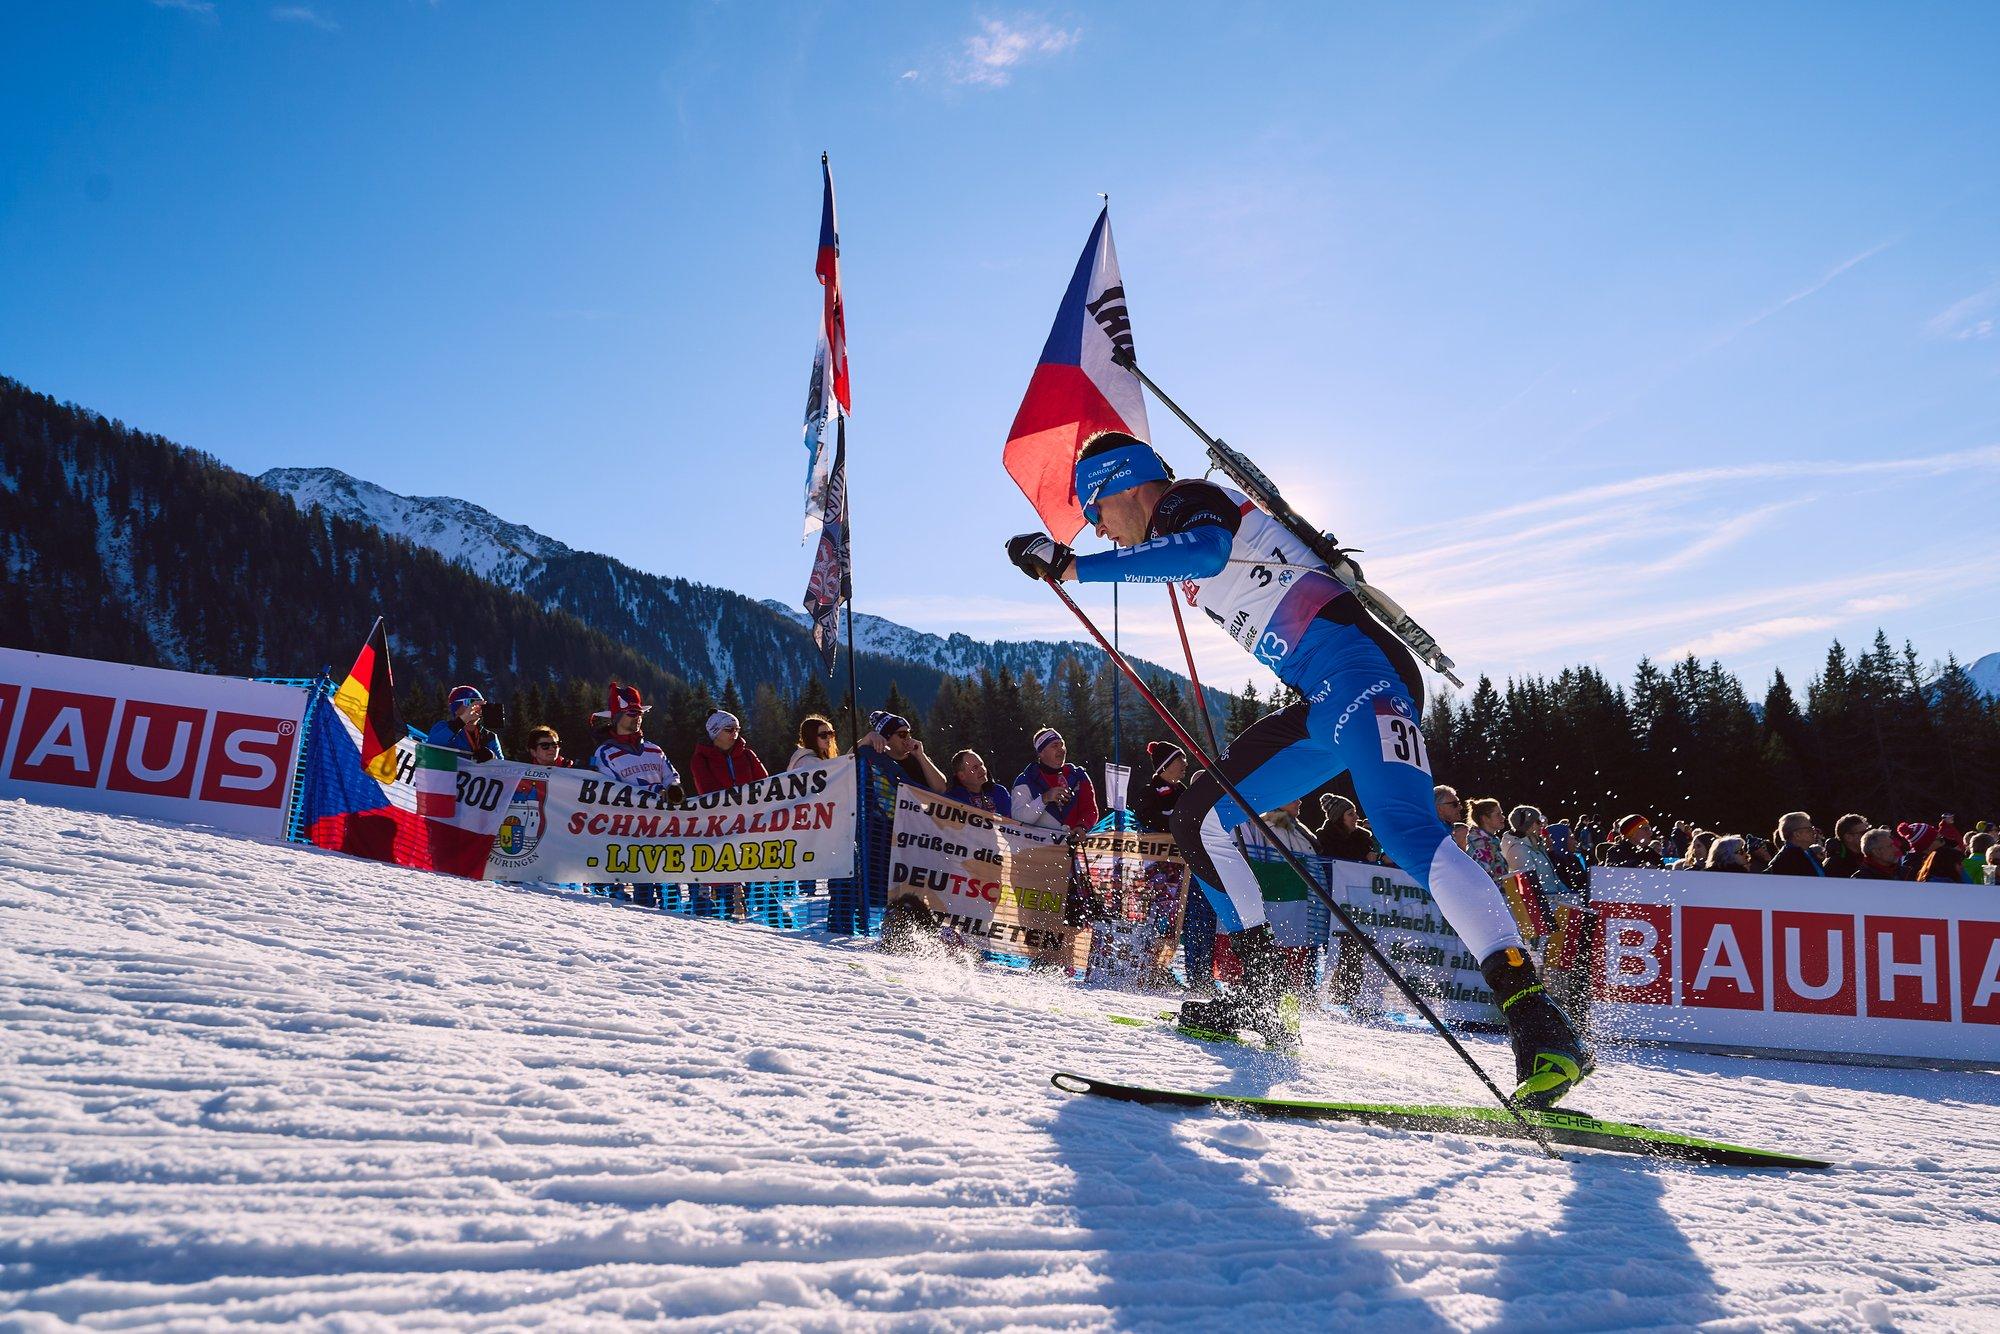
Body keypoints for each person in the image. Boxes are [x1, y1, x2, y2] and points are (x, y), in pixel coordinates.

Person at [1005, 431, 1588, 1103]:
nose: (1100, 529)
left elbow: (1205, 549)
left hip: (1364, 677)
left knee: (1407, 837)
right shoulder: (1174, 527)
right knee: (1201, 817)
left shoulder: (1187, 504)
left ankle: (1538, 1020)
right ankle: (1259, 994)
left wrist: (1075, 568)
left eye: (1097, 511)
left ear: (1125, 485)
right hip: (1324, 700)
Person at [590, 683, 682, 799]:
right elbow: (612, 790)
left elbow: (671, 777)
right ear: (617, 717)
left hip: (662, 816)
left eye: (640, 713)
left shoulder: (654, 750)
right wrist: (654, 790)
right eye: (632, 713)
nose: (637, 717)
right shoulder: (605, 753)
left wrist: (672, 788)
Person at [1012, 727, 1100, 832]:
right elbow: (1018, 819)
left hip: (1075, 844)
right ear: (1041, 752)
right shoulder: (1025, 780)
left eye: (1062, 744)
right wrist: (1044, 799)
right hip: (1039, 846)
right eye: (1055, 746)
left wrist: (1082, 826)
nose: (1061, 750)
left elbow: (1090, 810)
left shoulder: (1078, 775)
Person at [858, 711, 948, 793]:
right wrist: (868, 738)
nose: (908, 738)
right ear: (887, 738)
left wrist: (921, 756)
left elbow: (940, 789)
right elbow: (847, 762)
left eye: (909, 733)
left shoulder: (918, 758)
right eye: (902, 734)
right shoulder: (876, 758)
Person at [689, 710, 770, 794]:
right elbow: (708, 793)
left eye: (737, 729)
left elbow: (766, 784)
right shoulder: (701, 759)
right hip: (725, 807)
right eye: (729, 729)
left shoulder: (748, 754)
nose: (734, 733)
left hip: (754, 806)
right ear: (715, 731)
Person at [425, 684, 503, 761]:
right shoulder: (443, 727)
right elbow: (432, 745)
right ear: (456, 708)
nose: (477, 707)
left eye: (480, 703)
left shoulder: (490, 737)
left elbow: (503, 768)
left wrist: (493, 757)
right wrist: (462, 720)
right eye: (471, 702)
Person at [1131, 742, 1187, 834]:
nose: (1185, 763)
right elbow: (1148, 821)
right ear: (1166, 766)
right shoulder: (1149, 793)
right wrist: (1179, 823)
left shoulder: (1183, 791)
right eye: (1180, 759)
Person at [1312, 794, 1379, 863]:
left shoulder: (1361, 836)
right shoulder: (1326, 840)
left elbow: (1376, 851)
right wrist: (1365, 858)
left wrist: (1378, 855)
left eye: (1355, 812)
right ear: (1339, 819)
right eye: (1351, 814)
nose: (1357, 817)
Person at [942, 749, 1012, 815]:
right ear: (962, 776)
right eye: (975, 768)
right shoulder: (953, 800)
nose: (982, 770)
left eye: (982, 764)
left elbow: (1013, 821)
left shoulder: (999, 792)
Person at [1464, 797, 1509, 887]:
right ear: (1485, 818)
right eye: (1498, 814)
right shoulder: (1480, 845)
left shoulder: (1491, 841)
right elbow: (1486, 880)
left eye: (1502, 814)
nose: (1503, 817)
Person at [1765, 811, 1825, 877]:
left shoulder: (1808, 852)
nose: (1814, 832)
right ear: (1797, 834)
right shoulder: (1786, 860)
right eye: (1809, 830)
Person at [1595, 814, 1662, 869]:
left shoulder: (1651, 853)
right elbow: (1610, 872)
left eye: (1650, 829)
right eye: (1645, 829)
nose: (1650, 833)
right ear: (1631, 833)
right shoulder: (1616, 852)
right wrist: (1635, 866)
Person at [1822, 814, 1869, 880]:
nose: (1868, 835)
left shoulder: (1870, 856)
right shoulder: (1836, 865)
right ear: (1848, 837)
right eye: (1863, 833)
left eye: (1868, 831)